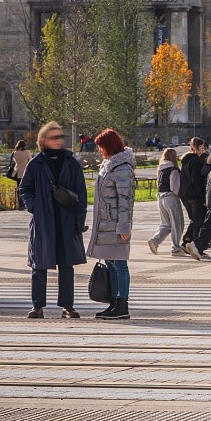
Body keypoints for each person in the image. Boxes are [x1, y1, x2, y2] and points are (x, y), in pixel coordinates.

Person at [19, 122, 87, 319]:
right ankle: (37, 305)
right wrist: (34, 207)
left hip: (66, 220)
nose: (59, 140)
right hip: (43, 221)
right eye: (54, 137)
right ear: (43, 140)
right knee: (39, 264)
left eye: (60, 136)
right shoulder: (36, 163)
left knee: (67, 265)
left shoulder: (71, 163)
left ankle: (67, 306)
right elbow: (25, 188)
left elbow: (81, 194)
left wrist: (79, 220)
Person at [87, 128, 136, 320]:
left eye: (101, 147)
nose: (99, 150)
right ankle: (114, 303)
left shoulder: (122, 168)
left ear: (109, 146)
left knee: (119, 265)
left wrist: (124, 226)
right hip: (106, 224)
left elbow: (126, 200)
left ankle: (122, 305)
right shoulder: (109, 166)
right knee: (112, 264)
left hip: (115, 225)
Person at [148, 147, 186, 257]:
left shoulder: (160, 168)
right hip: (171, 197)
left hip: (160, 197)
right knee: (177, 223)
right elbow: (175, 187)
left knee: (166, 224)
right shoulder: (173, 169)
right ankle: (176, 248)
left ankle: (155, 240)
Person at [179, 137, 210, 254]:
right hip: (194, 195)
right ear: (195, 148)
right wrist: (202, 197)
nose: (203, 149)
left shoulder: (186, 160)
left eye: (203, 146)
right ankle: (196, 246)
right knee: (199, 220)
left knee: (194, 219)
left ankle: (186, 240)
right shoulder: (196, 161)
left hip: (185, 194)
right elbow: (196, 181)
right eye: (201, 147)